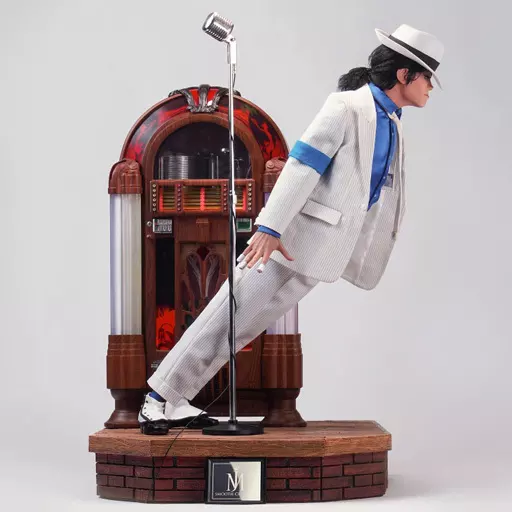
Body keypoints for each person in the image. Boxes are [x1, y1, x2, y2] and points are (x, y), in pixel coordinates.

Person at [138, 24, 444, 434]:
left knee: (243, 325)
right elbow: (302, 165)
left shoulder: (392, 120)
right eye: (427, 77)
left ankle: (174, 397)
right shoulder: (346, 108)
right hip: (288, 239)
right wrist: (270, 227)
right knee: (229, 313)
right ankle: (156, 399)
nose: (430, 87)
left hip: (321, 247)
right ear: (404, 75)